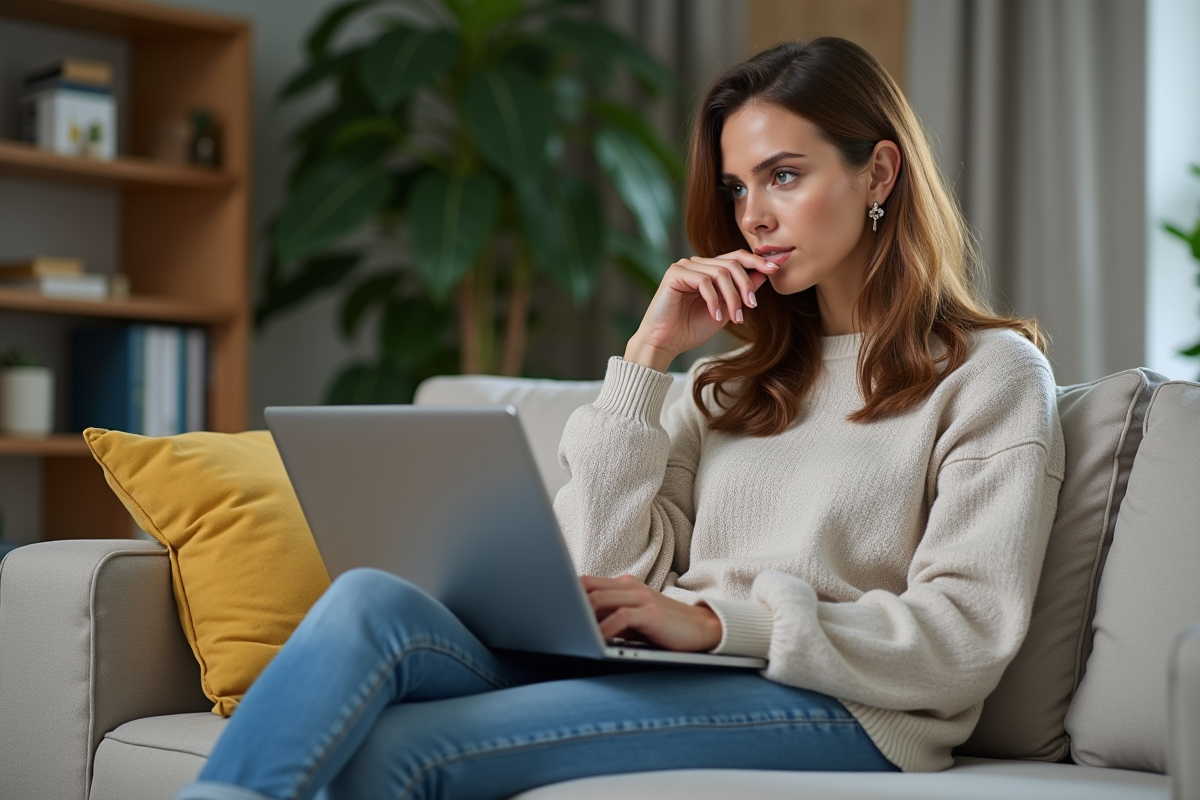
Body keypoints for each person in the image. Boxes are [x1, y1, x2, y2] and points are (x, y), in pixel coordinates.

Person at [178, 36, 1064, 800]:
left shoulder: (988, 375)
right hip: (683, 670)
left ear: (877, 169)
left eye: (784, 176)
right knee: (370, 599)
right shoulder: (727, 385)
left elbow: (964, 637)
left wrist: (723, 625)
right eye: (737, 186)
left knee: (406, 752)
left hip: (852, 709)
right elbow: (599, 576)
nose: (752, 217)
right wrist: (647, 359)